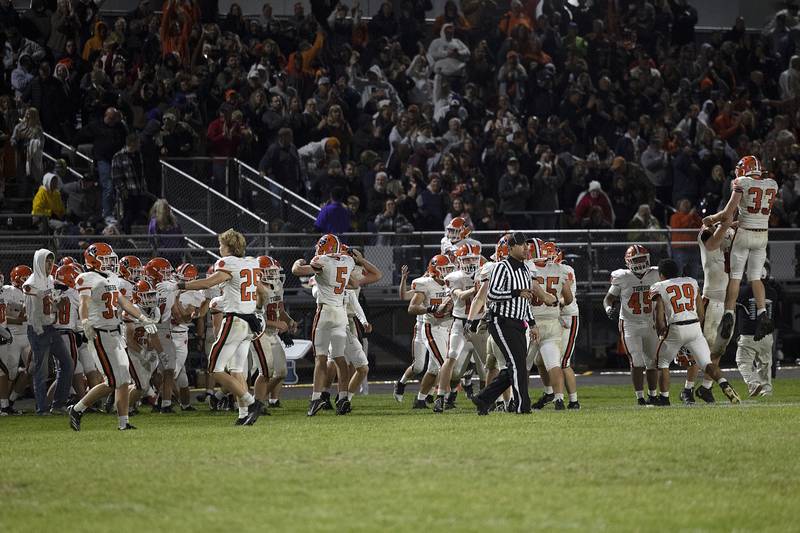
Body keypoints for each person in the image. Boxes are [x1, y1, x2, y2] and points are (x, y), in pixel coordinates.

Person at [156, 229, 265, 426]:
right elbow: (261, 291)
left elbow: (207, 283)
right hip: (249, 322)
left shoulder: (228, 263)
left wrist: (178, 286)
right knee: (237, 370)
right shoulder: (252, 262)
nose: (219, 248)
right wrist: (253, 307)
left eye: (221, 245)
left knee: (214, 368)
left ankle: (251, 402)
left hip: (235, 321)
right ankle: (243, 415)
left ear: (229, 247)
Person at [68, 242, 159, 431]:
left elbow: (123, 302)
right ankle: (77, 409)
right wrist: (85, 322)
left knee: (124, 380)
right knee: (112, 381)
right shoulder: (86, 277)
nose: (110, 263)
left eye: (111, 259)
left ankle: (123, 423)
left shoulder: (112, 277)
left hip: (116, 333)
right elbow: (83, 303)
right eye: (105, 259)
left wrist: (142, 317)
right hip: (100, 334)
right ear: (93, 260)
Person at [471, 232, 556, 415]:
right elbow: (492, 295)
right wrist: (516, 293)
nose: (526, 248)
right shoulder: (502, 267)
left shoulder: (526, 269)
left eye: (526, 245)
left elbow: (525, 302)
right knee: (517, 366)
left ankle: (483, 398)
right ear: (510, 248)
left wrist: (532, 324)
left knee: (515, 366)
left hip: (519, 322)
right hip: (501, 321)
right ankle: (521, 406)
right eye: (521, 245)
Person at [703, 156, 778, 343]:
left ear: (744, 169)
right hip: (762, 235)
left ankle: (728, 313)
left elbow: (728, 213)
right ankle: (762, 313)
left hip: (744, 234)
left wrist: (711, 219)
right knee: (755, 277)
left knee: (736, 277)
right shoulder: (772, 184)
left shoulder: (741, 182)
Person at [650, 258, 741, 405]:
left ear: (661, 274)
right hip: (694, 327)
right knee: (706, 363)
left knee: (662, 362)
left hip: (676, 327)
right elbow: (701, 312)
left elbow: (658, 314)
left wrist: (661, 330)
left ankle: (664, 398)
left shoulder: (659, 286)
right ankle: (724, 384)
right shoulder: (691, 281)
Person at [291, 234, 357, 416]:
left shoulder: (322, 260)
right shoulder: (348, 261)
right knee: (339, 358)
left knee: (320, 358)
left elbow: (297, 271)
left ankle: (315, 398)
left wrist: (297, 261)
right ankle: (343, 398)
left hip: (325, 312)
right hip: (341, 314)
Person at [685, 220, 736, 404]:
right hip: (711, 300)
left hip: (728, 303)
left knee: (719, 349)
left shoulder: (729, 230)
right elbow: (713, 240)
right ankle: (688, 389)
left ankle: (706, 388)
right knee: (701, 349)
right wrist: (726, 223)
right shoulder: (706, 234)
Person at [603, 245, 661, 405]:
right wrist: (609, 309)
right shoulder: (623, 277)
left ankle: (653, 395)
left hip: (650, 322)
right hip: (630, 324)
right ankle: (640, 397)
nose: (641, 262)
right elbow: (608, 298)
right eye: (637, 259)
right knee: (637, 361)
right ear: (628, 261)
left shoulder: (655, 273)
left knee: (652, 361)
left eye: (643, 258)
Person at [434, 243, 484, 413]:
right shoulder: (455, 276)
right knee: (451, 357)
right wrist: (475, 289)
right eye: (467, 258)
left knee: (488, 364)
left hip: (481, 323)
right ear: (460, 260)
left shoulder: (485, 273)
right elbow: (460, 296)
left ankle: (492, 399)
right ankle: (440, 396)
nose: (470, 261)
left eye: (473, 258)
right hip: (460, 323)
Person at [24, 248, 73, 415]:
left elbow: (49, 305)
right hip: (38, 329)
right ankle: (42, 408)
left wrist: (58, 303)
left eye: (52, 261)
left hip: (50, 327)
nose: (50, 264)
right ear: (39, 262)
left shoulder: (49, 279)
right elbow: (27, 288)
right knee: (42, 371)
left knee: (67, 364)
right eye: (47, 261)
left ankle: (58, 404)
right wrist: (42, 293)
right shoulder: (33, 280)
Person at [526, 240, 574, 411]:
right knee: (553, 363)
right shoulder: (561, 269)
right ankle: (559, 399)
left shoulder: (525, 268)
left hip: (530, 322)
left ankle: (521, 398)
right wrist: (556, 302)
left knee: (523, 364)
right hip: (552, 322)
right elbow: (568, 299)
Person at [406, 254, 455, 409]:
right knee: (445, 364)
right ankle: (443, 399)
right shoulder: (425, 284)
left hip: (449, 326)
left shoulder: (452, 283)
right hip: (432, 327)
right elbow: (412, 308)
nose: (447, 272)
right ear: (434, 270)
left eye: (449, 268)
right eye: (444, 269)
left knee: (434, 369)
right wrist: (431, 308)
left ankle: (420, 399)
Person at [735, 270, 779, 397]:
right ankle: (767, 390)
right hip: (767, 335)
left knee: (742, 362)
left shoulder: (744, 291)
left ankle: (753, 383)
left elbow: (734, 304)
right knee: (765, 364)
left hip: (749, 334)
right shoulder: (772, 292)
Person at [112, 133, 151, 234]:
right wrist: (122, 189)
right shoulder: (119, 156)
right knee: (128, 215)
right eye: (138, 142)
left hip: (139, 189)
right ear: (132, 143)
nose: (140, 145)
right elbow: (116, 176)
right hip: (127, 191)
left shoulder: (139, 154)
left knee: (139, 213)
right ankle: (126, 236)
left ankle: (136, 233)